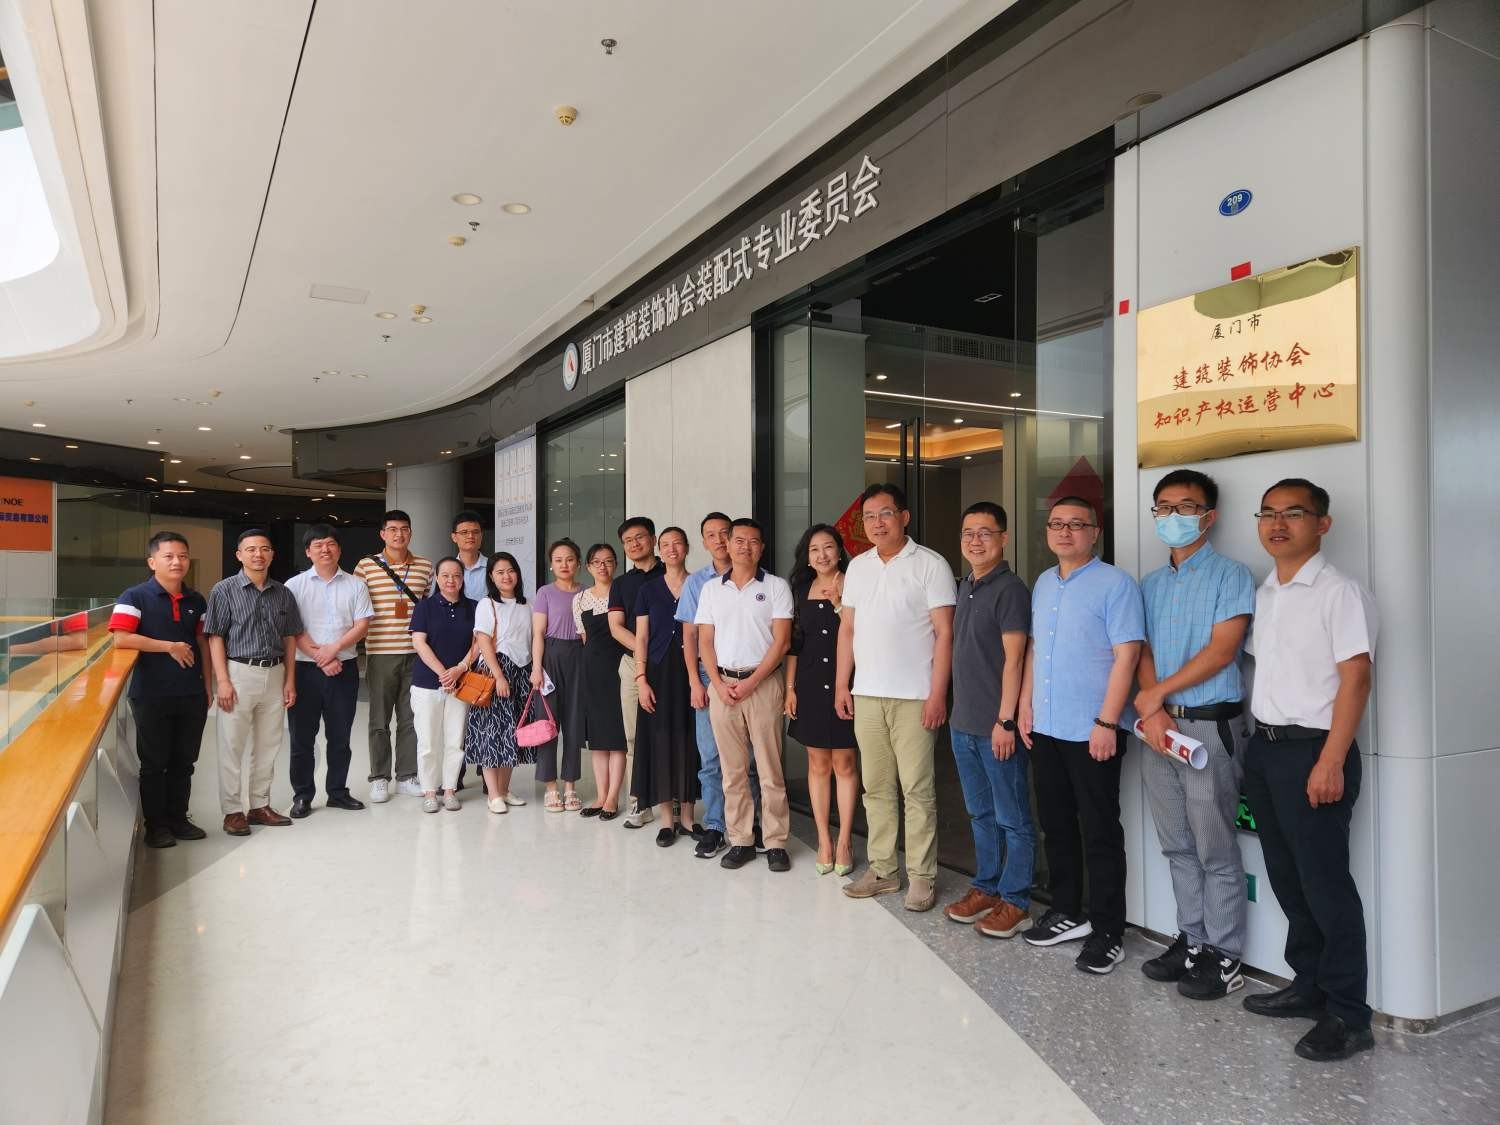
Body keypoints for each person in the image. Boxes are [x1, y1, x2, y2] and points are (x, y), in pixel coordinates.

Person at [1241, 478, 1377, 1062]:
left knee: (1326, 885)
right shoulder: (1267, 592)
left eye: (1293, 514)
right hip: (1267, 749)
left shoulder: (1339, 592)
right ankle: (1309, 985)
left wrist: (1330, 759)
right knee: (1287, 876)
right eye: (1268, 513)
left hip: (1315, 751)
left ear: (1322, 524)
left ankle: (1349, 1015)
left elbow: (1357, 678)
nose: (1278, 524)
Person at [1135, 470, 1255, 999]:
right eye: (1163, 507)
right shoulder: (1149, 584)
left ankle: (1225, 956)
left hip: (1209, 725)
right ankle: (1192, 940)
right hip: (1158, 728)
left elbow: (1222, 651)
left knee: (1215, 847)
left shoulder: (1232, 575)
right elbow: (1141, 649)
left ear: (1209, 516)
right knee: (1177, 844)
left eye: (1185, 507)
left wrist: (1156, 696)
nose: (1173, 516)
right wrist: (1155, 708)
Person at [1019, 496, 1144, 975]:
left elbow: (1128, 655)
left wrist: (1108, 722)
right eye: (1056, 524)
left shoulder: (1116, 584)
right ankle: (1067, 910)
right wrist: (1025, 704)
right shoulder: (1044, 583)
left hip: (1092, 729)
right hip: (1047, 726)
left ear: (1095, 532)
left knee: (1100, 831)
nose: (1064, 532)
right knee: (1056, 825)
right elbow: (1035, 650)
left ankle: (1109, 931)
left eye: (1076, 524)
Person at [836, 483, 955, 912]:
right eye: (869, 516)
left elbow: (945, 633)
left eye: (885, 513)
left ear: (904, 517)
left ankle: (922, 877)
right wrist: (843, 685)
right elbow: (848, 630)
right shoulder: (858, 567)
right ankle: (884, 870)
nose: (877, 523)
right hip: (867, 695)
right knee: (876, 789)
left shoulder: (930, 565)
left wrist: (938, 693)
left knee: (918, 790)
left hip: (914, 697)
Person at [941, 502, 1036, 938]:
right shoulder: (965, 585)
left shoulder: (1011, 589)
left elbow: (1015, 660)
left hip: (996, 727)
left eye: (985, 532)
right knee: (980, 813)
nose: (975, 541)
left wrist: (1006, 720)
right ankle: (986, 886)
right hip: (963, 723)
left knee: (1012, 817)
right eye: (968, 533)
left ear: (1004, 538)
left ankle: (1016, 901)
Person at [695, 517, 794, 872]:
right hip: (722, 686)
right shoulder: (711, 589)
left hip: (763, 685)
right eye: (739, 540)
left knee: (769, 769)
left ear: (761, 548)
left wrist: (751, 683)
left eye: (753, 541)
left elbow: (782, 642)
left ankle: (776, 841)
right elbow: (704, 642)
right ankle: (741, 840)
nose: (745, 547)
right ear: (728, 544)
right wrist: (718, 684)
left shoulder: (777, 586)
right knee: (732, 770)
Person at [108, 531, 213, 849]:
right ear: (152, 562)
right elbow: (121, 638)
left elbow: (203, 643)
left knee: (185, 761)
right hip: (151, 693)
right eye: (168, 556)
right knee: (154, 763)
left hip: (191, 693)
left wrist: (208, 685)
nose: (177, 562)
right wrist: (169, 646)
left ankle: (179, 819)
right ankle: (156, 826)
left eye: (182, 556)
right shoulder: (134, 596)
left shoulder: (196, 600)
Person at [204, 529, 303, 836]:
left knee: (268, 745)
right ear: (239, 555)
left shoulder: (283, 593)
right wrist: (222, 681)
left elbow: (289, 638)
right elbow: (215, 637)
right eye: (251, 549)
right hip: (238, 672)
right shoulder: (224, 590)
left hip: (275, 673)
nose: (258, 554)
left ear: (272, 554)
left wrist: (289, 680)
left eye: (264, 549)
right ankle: (232, 811)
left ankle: (259, 805)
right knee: (231, 745)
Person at [284, 523, 373, 818]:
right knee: (301, 739)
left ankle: (337, 792)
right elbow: (293, 628)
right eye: (318, 545)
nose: (325, 549)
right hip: (304, 671)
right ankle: (302, 796)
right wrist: (320, 657)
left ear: (339, 549)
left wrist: (332, 650)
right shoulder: (294, 586)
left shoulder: (356, 585)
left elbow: (362, 625)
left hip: (343, 671)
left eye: (331, 544)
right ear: (308, 552)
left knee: (340, 737)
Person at [785, 523, 857, 876]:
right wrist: (790, 688)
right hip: (810, 683)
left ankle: (844, 840)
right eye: (814, 549)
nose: (822, 555)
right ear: (807, 556)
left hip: (847, 682)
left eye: (828, 547)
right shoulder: (800, 588)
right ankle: (823, 839)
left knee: (845, 763)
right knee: (817, 764)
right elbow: (794, 643)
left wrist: (840, 604)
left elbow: (861, 631)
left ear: (839, 551)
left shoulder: (854, 582)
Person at [676, 512, 746, 859]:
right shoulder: (697, 583)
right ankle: (716, 825)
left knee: (748, 757)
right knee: (711, 757)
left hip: (746, 676)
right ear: (703, 542)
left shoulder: (755, 577)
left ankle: (748, 825)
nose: (719, 540)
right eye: (711, 535)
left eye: (725, 533)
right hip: (708, 675)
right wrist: (695, 681)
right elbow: (689, 636)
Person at [353, 511, 434, 803]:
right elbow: (357, 607)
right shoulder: (365, 566)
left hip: (416, 653)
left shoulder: (425, 566)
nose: (399, 534)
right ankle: (379, 778)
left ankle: (407, 776)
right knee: (379, 719)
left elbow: (426, 607)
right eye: (393, 529)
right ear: (383, 534)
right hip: (380, 652)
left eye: (404, 529)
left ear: (410, 533)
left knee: (411, 718)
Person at [632, 527, 701, 846]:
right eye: (666, 544)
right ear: (659, 550)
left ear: (687, 548)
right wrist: (641, 678)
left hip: (693, 670)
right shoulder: (648, 589)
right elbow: (642, 637)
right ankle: (666, 820)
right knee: (659, 739)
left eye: (678, 543)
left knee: (690, 738)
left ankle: (687, 817)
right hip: (658, 671)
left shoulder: (700, 584)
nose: (672, 549)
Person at [467, 552, 535, 814]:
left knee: (513, 733)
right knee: (491, 732)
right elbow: (483, 641)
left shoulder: (528, 605)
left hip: (523, 672)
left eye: (511, 570)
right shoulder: (487, 604)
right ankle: (493, 794)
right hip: (497, 670)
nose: (507, 576)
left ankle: (504, 790)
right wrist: (498, 676)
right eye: (500, 572)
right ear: (491, 577)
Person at [608, 516, 664, 828]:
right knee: (633, 736)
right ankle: (638, 802)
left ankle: (672, 800)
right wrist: (645, 654)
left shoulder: (671, 573)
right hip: (632, 665)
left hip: (670, 665)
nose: (634, 544)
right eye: (628, 541)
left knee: (669, 734)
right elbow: (616, 627)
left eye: (640, 537)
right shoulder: (621, 584)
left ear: (653, 539)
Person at [409, 558, 477, 813]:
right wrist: (443, 674)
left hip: (462, 684)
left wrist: (459, 669)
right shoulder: (424, 607)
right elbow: (419, 643)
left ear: (463, 578)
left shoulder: (473, 607)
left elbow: (479, 644)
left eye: (456, 575)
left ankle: (449, 790)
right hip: (427, 684)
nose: (451, 580)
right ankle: (429, 791)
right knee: (428, 742)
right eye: (445, 575)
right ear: (437, 578)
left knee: (455, 740)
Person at [530, 538, 586, 812]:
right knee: (547, 723)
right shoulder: (545, 592)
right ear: (551, 565)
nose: (564, 564)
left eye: (570, 559)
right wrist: (536, 667)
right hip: (551, 657)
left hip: (579, 658)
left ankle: (570, 786)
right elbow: (538, 633)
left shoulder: (587, 592)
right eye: (558, 560)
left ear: (579, 563)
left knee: (575, 724)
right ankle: (551, 787)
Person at [573, 543, 628, 819]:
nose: (602, 566)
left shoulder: (624, 592)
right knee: (597, 738)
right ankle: (600, 794)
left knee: (616, 736)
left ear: (616, 564)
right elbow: (584, 637)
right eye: (597, 562)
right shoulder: (579, 599)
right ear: (588, 566)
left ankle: (613, 797)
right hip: (591, 669)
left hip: (619, 667)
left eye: (608, 561)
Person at [451, 510, 489, 601]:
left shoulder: (493, 567)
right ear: (454, 537)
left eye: (476, 532)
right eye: (464, 532)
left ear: (481, 536)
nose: (471, 536)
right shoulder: (446, 570)